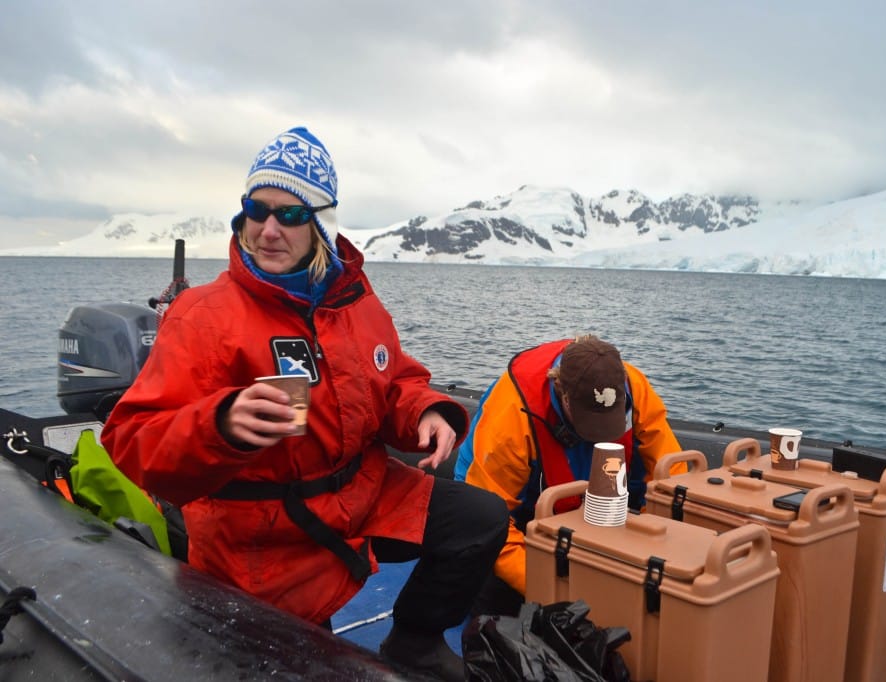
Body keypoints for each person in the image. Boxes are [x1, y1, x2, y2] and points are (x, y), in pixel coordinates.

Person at [102, 126, 507, 681]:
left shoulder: (354, 301)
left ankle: (415, 640)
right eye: (256, 210)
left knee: (480, 519)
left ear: (320, 223)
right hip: (262, 534)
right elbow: (131, 440)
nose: (269, 230)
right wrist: (221, 423)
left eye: (290, 215)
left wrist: (425, 411)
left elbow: (393, 381)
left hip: (359, 495)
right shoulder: (203, 316)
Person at [453, 335, 686, 616]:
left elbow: (671, 476)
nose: (602, 434)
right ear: (561, 393)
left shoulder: (635, 387)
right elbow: (490, 522)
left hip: (588, 497)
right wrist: (552, 591)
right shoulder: (512, 415)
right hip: (509, 496)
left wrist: (647, 547)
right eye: (591, 422)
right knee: (500, 603)